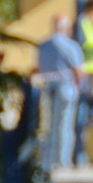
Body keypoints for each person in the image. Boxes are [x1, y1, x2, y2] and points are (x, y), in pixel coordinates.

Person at [35, 15, 85, 170]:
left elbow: (39, 67)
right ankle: (63, 160)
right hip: (65, 87)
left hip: (47, 88)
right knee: (65, 125)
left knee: (48, 125)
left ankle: (47, 160)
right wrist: (79, 88)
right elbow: (78, 70)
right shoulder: (71, 46)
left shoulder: (43, 46)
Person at [73, 0, 93, 168]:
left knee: (90, 113)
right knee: (83, 111)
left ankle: (84, 151)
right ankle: (79, 152)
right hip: (88, 74)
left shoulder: (87, 24)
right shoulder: (81, 25)